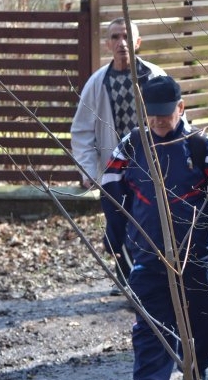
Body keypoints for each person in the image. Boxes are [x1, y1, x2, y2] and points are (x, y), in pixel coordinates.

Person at [100, 75, 208, 380]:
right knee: (151, 333)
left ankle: (195, 370)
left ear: (181, 108)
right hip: (148, 256)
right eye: (151, 116)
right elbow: (110, 190)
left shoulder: (199, 146)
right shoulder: (133, 145)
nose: (158, 122)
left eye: (165, 115)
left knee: (204, 331)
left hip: (195, 257)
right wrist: (117, 240)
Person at [70, 17, 166, 297]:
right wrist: (89, 171)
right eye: (115, 37)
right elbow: (82, 129)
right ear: (107, 44)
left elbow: (175, 117)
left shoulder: (155, 77)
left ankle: (149, 279)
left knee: (149, 221)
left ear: (138, 42)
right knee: (117, 224)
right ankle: (126, 279)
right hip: (114, 169)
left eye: (126, 36)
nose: (121, 43)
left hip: (150, 167)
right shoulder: (98, 82)